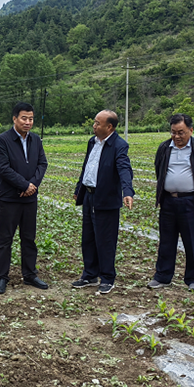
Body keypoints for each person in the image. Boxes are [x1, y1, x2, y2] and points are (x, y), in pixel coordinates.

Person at [147, 113, 194, 293]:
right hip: (168, 201)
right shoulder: (164, 148)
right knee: (166, 241)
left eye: (181, 132)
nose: (177, 137)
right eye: (173, 132)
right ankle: (162, 276)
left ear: (191, 131)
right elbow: (158, 169)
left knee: (193, 241)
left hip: (190, 202)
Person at [72, 110, 135, 294]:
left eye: (97, 123)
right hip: (89, 197)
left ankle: (107, 277)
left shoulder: (119, 145)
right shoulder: (92, 142)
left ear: (109, 127)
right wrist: (79, 190)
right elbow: (87, 167)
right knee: (89, 238)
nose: (94, 126)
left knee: (105, 240)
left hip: (106, 199)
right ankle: (90, 274)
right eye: (94, 122)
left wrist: (127, 191)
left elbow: (124, 168)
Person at [0, 102, 48, 294]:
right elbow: (4, 168)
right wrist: (24, 185)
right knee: (5, 239)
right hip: (9, 198)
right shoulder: (3, 140)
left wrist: (33, 185)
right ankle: (1, 277)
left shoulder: (36, 140)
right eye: (24, 118)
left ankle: (30, 274)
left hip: (30, 199)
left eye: (31, 119)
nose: (28, 122)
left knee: (29, 238)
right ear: (14, 118)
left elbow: (42, 163)